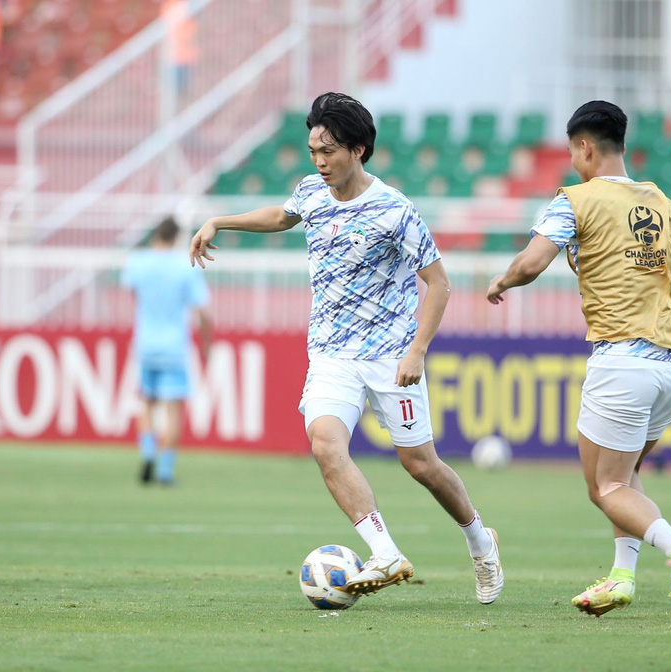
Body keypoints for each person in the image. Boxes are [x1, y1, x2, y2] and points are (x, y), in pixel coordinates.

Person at [190, 92, 504, 603]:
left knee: (421, 465)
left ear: (358, 149)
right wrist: (220, 221)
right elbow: (282, 216)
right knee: (325, 445)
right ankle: (383, 553)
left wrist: (418, 351)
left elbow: (439, 283)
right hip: (332, 355)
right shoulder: (311, 192)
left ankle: (479, 539)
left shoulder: (394, 209)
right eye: (313, 149)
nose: (319, 161)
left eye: (329, 150)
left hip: (391, 356)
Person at [486, 100, 671, 617]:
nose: (573, 162)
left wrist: (503, 281)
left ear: (585, 147)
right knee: (626, 474)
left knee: (604, 485)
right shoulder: (669, 207)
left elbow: (533, 261)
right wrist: (664, 321)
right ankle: (621, 577)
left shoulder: (577, 200)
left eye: (573, 153)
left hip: (622, 362)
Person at [123, 216, 211, 485]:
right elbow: (202, 311)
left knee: (147, 403)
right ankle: (165, 470)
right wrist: (207, 343)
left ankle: (148, 453)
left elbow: (133, 293)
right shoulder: (184, 266)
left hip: (146, 343)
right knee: (173, 410)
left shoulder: (138, 262)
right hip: (174, 345)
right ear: (176, 237)